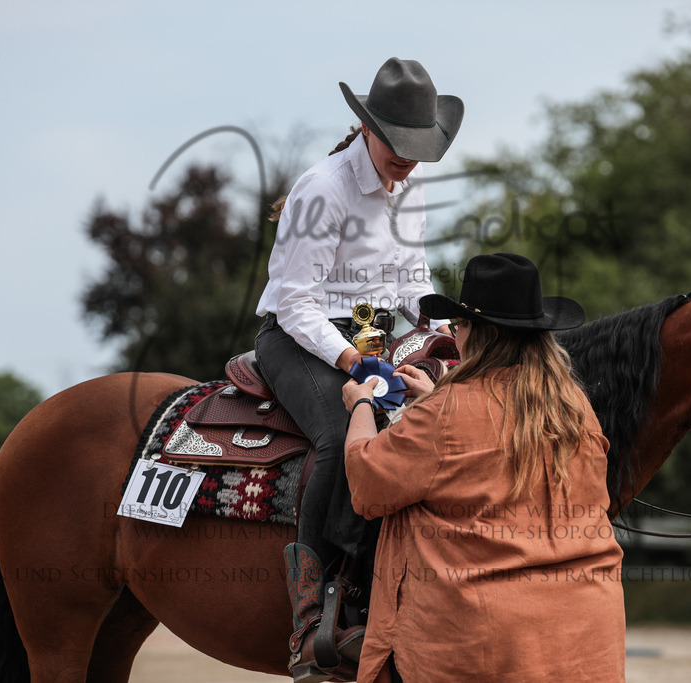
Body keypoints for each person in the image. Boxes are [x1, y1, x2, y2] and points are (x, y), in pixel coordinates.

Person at [253, 57, 463, 682]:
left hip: (371, 332)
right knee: (342, 437)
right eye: (398, 143)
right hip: (299, 338)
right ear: (367, 128)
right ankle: (309, 616)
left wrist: (445, 334)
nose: (407, 157)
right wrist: (353, 363)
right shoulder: (324, 189)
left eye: (418, 146)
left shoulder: (410, 186)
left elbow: (411, 280)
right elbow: (294, 303)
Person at [343, 253, 626, 682]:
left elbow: (367, 484)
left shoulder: (445, 412)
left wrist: (362, 404)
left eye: (459, 324)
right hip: (585, 636)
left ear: (477, 332)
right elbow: (495, 435)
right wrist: (435, 399)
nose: (455, 333)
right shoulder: (574, 407)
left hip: (484, 645)